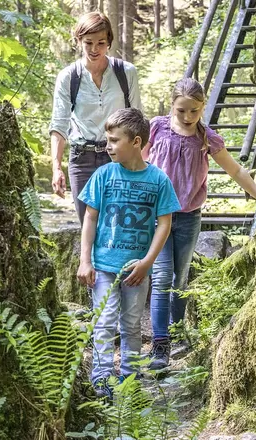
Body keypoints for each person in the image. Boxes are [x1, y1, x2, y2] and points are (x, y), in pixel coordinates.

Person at [142, 77, 256, 369]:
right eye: (181, 110)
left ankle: (177, 332)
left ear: (202, 107)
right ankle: (159, 345)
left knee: (180, 278)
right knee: (163, 277)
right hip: (158, 216)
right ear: (173, 106)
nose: (187, 117)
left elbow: (236, 170)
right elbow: (137, 165)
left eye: (194, 111)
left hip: (189, 217)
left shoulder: (206, 138)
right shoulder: (156, 129)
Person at [77, 108, 181, 398]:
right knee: (104, 321)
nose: (107, 146)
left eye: (113, 140)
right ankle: (100, 379)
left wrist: (148, 263)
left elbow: (165, 223)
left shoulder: (158, 180)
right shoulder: (103, 175)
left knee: (132, 324)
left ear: (136, 142)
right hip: (104, 265)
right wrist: (85, 260)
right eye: (107, 140)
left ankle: (130, 380)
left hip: (137, 269)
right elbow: (90, 218)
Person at [49, 11, 142, 224]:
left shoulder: (126, 73)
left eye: (101, 42)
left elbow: (138, 119)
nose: (94, 49)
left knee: (120, 225)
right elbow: (59, 125)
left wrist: (141, 164)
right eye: (88, 42)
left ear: (109, 41)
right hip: (82, 159)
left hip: (120, 156)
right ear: (79, 41)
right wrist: (56, 167)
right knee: (89, 226)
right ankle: (87, 259)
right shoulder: (68, 77)